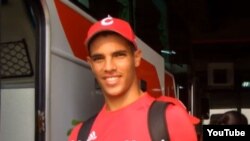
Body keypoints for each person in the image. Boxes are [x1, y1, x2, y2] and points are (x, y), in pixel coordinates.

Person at [69, 15, 199, 141]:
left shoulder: (170, 119)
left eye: (119, 55)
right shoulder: (80, 134)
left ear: (136, 58)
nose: (108, 67)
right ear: (91, 64)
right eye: (99, 58)